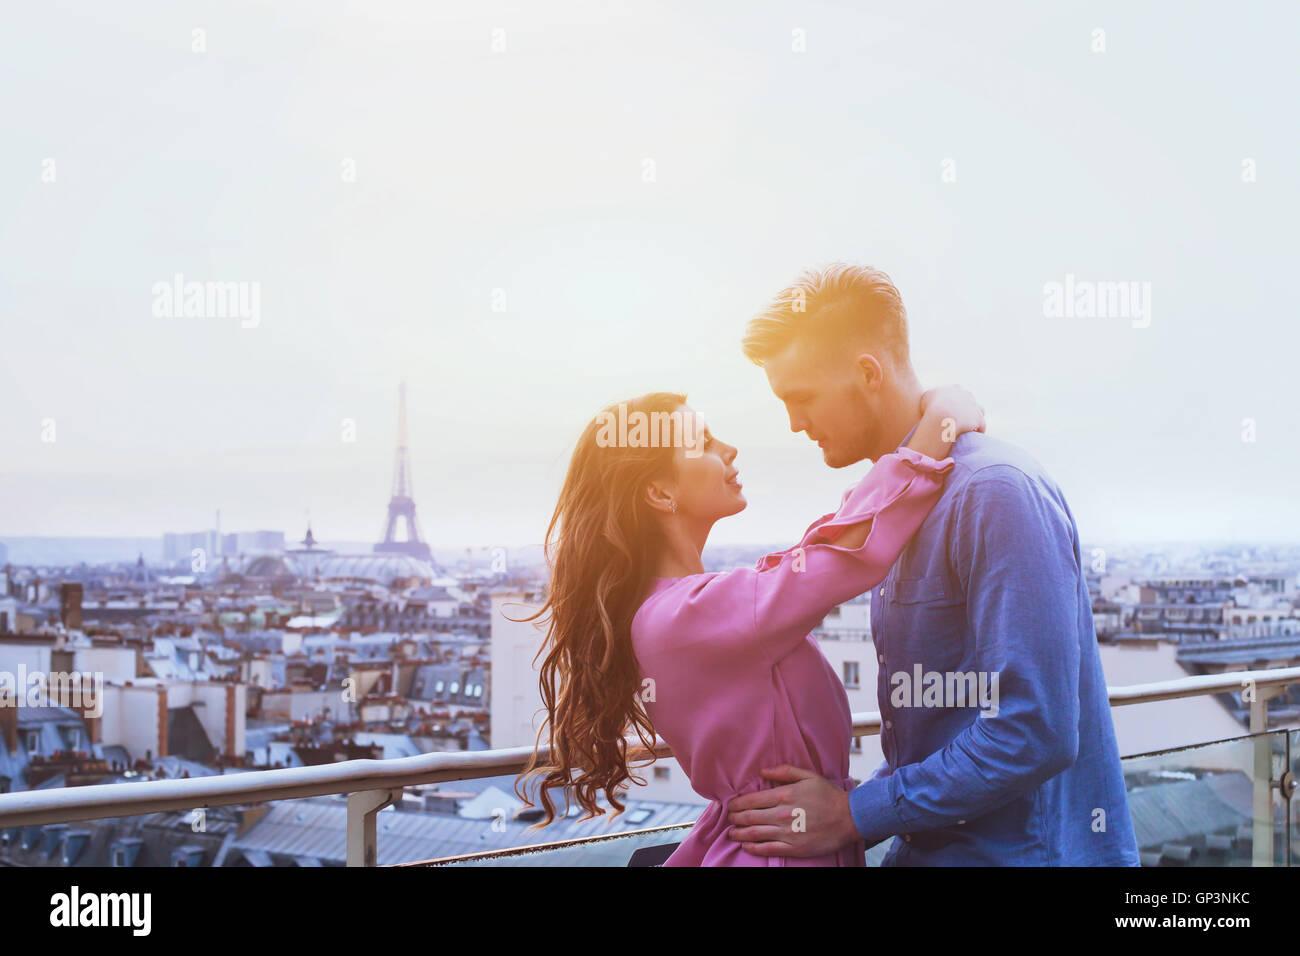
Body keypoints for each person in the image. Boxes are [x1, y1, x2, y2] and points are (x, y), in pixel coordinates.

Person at [726, 263, 1141, 865]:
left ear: (867, 373)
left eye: (802, 398)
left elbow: (1035, 730)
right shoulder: (886, 508)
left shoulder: (993, 490)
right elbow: (937, 726)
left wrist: (852, 815)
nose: (794, 423)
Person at [516, 385, 984, 865]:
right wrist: (938, 427)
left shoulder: (682, 607)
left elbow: (829, 546)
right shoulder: (687, 615)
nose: (729, 449)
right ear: (660, 492)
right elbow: (846, 553)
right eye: (702, 442)